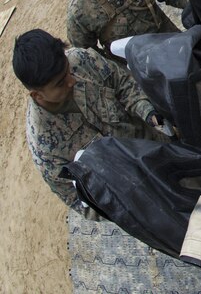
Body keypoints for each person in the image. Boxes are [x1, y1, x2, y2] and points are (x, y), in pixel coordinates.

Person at [12, 29, 170, 219]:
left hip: (162, 147)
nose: (72, 80)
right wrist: (133, 212)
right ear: (38, 95)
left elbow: (122, 83)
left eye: (67, 70)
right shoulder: (46, 148)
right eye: (61, 83)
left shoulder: (81, 60)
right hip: (140, 194)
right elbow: (78, 200)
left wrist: (147, 111)